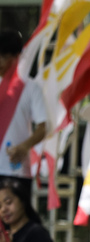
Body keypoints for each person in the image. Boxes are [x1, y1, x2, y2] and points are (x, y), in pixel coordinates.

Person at [0, 30, 47, 191]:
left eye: (5, 57)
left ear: (17, 57)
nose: (0, 61)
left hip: (16, 170)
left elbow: (43, 128)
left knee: (16, 216)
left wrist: (24, 147)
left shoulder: (30, 87)